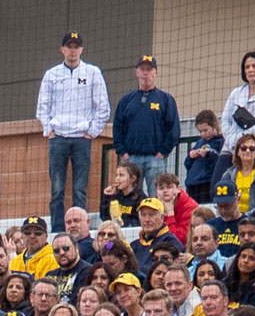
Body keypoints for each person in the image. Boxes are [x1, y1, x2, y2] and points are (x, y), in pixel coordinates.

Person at [35, 31, 109, 214]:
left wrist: (91, 132)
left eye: (76, 47)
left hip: (82, 139)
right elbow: (42, 105)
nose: (73, 51)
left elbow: (102, 106)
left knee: (79, 189)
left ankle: (78, 229)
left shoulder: (93, 73)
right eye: (69, 47)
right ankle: (57, 228)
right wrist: (49, 130)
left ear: (81, 49)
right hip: (58, 138)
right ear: (62, 49)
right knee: (57, 189)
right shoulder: (51, 74)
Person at [111, 55, 180, 193]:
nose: (145, 73)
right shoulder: (126, 100)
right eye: (142, 69)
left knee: (156, 196)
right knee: (128, 195)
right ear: (137, 72)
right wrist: (123, 152)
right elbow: (117, 127)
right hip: (131, 158)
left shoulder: (165, 99)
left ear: (155, 72)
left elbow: (173, 129)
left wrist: (163, 151)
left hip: (156, 158)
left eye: (149, 69)